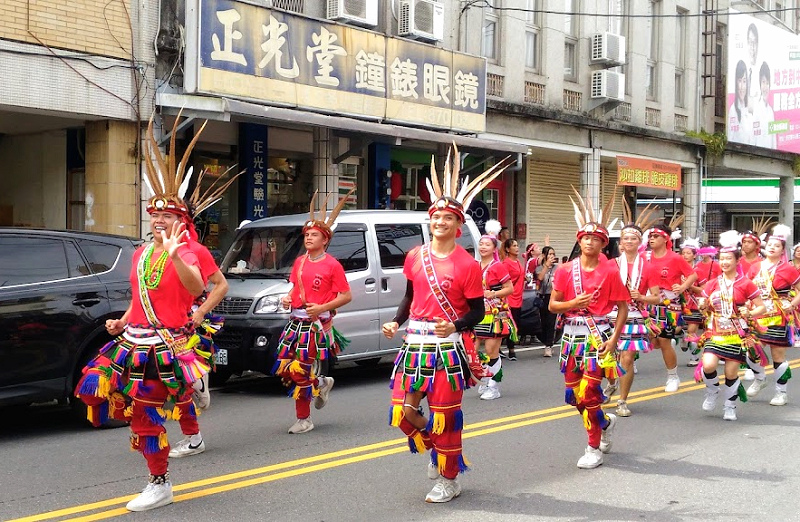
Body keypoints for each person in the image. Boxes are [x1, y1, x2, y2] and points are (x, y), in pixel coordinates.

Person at [74, 117, 212, 512]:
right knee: (100, 391)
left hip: (166, 344)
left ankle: (159, 481)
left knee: (145, 416)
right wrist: (123, 320)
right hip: (133, 340)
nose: (157, 221)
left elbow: (197, 288)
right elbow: (140, 297)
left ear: (181, 223)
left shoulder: (185, 253)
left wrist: (174, 256)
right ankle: (192, 388)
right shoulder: (139, 254)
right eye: (154, 215)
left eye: (166, 216)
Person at [384, 146, 507, 502]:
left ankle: (449, 478)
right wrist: (395, 322)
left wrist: (454, 326)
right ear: (430, 220)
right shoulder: (414, 256)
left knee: (444, 416)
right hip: (414, 346)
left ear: (457, 224)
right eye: (436, 217)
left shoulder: (467, 264)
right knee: (402, 414)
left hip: (447, 350)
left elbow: (478, 312)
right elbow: (409, 297)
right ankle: (438, 450)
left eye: (448, 219)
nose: (440, 223)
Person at [551, 188, 628, 469]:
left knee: (588, 393)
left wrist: (615, 339)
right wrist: (573, 302)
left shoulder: (610, 271)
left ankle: (592, 446)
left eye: (595, 239)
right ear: (579, 241)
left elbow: (622, 307)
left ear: (603, 244)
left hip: (598, 337)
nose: (589, 243)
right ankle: (604, 422)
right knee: (574, 397)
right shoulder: (564, 270)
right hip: (571, 337)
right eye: (585, 238)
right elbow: (553, 306)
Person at [273, 190, 354, 434]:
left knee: (300, 370)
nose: (308, 238)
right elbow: (295, 288)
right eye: (307, 234)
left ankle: (304, 419)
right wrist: (288, 299)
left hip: (316, 325)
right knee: (286, 368)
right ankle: (320, 382)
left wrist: (322, 308)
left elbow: (346, 296)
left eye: (314, 235)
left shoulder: (332, 265)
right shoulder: (300, 261)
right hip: (294, 323)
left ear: (325, 240)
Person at [698, 231, 766, 421]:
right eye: (721, 259)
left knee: (730, 372)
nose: (725, 262)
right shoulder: (712, 284)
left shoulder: (745, 284)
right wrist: (702, 305)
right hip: (715, 332)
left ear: (737, 261)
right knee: (708, 365)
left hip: (736, 334)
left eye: (728, 258)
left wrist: (749, 313)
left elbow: (761, 307)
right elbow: (701, 304)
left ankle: (730, 406)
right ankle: (712, 391)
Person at [606, 200, 661, 417]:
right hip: (610, 316)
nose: (629, 241)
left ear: (640, 243)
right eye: (626, 238)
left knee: (627, 359)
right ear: (620, 243)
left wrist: (642, 296)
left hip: (634, 315)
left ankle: (622, 400)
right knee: (607, 358)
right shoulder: (610, 265)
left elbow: (656, 297)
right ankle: (611, 383)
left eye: (634, 238)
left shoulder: (648, 267)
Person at [745, 224, 800, 405]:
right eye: (769, 244)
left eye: (776, 246)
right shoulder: (755, 267)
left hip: (778, 316)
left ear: (782, 250)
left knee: (778, 356)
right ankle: (760, 378)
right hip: (758, 316)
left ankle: (781, 392)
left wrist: (792, 304)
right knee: (751, 351)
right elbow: (747, 289)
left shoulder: (788, 269)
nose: (772, 247)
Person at [645, 218, 698, 392]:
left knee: (663, 340)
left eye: (655, 236)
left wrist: (682, 286)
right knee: (652, 340)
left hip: (669, 304)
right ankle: (669, 343)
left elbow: (692, 275)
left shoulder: (675, 258)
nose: (651, 239)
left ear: (665, 239)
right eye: (650, 236)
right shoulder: (645, 257)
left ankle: (673, 377)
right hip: (649, 302)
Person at [474, 220, 515, 400]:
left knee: (492, 351)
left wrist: (494, 293)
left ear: (494, 248)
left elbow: (510, 288)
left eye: (487, 244)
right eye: (481, 244)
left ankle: (493, 386)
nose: (483, 247)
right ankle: (484, 378)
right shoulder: (475, 265)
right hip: (477, 314)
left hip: (495, 314)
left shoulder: (497, 266)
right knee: (472, 350)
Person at [683, 243, 721, 367]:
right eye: (683, 253)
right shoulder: (686, 268)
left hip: (701, 303)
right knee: (685, 331)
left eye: (688, 253)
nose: (685, 256)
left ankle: (701, 355)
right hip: (686, 304)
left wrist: (688, 285)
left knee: (698, 330)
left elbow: (703, 289)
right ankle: (691, 350)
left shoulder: (702, 269)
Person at [502, 238, 525, 361]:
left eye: (517, 245)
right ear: (507, 249)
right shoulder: (505, 264)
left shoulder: (517, 262)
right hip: (509, 298)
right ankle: (511, 350)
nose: (517, 247)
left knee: (516, 324)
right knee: (510, 325)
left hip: (519, 297)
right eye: (514, 245)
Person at [536, 246, 559, 357]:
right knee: (543, 322)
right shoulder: (539, 268)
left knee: (551, 321)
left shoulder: (557, 268)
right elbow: (540, 278)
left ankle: (548, 346)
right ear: (545, 256)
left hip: (553, 296)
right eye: (550, 254)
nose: (552, 256)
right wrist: (546, 266)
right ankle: (547, 342)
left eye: (553, 254)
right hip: (542, 297)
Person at [753, 62, 776, 149]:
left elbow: (774, 141)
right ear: (759, 84)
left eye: (767, 83)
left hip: (771, 159)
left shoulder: (770, 112)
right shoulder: (756, 108)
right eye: (763, 82)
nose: (765, 87)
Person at [729, 60, 753, 145]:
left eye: (744, 81)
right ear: (736, 82)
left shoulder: (750, 109)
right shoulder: (733, 110)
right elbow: (730, 138)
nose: (742, 87)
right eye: (739, 81)